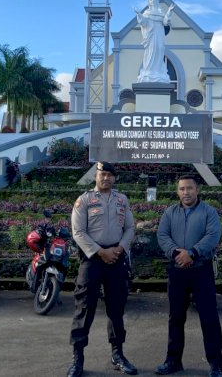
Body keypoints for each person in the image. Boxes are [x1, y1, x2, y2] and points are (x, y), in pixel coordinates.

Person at [67, 161, 138, 377]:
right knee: (84, 308)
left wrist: (120, 248)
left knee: (116, 308)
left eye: (110, 175)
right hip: (92, 261)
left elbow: (130, 227)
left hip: (116, 259)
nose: (106, 178)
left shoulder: (121, 200)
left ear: (115, 178)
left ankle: (118, 354)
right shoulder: (85, 200)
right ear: (96, 176)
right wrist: (100, 251)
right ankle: (77, 359)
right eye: (102, 174)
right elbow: (78, 232)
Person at [155, 175, 222, 377]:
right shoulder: (169, 213)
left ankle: (215, 364)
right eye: (182, 189)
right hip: (177, 271)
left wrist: (192, 253)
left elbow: (213, 236)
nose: (186, 192)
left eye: (190, 188)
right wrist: (178, 253)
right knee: (175, 317)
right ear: (178, 191)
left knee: (209, 318)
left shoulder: (209, 212)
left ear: (197, 190)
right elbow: (162, 235)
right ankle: (173, 361)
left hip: (201, 270)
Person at [135, 0, 175, 83]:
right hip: (151, 34)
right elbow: (144, 23)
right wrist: (139, 14)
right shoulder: (147, 13)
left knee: (160, 49)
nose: (152, 1)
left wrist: (169, 11)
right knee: (151, 50)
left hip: (159, 33)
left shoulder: (160, 12)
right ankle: (149, 71)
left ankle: (157, 72)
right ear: (149, 2)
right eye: (151, 0)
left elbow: (165, 22)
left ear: (156, 1)